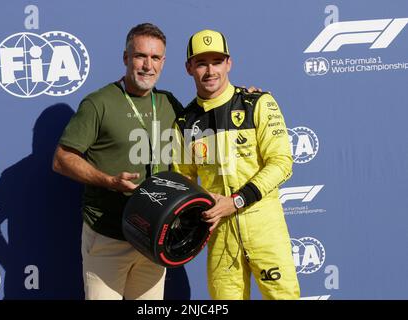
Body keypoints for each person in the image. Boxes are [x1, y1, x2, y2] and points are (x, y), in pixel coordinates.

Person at [52, 23, 183, 300]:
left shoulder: (169, 102)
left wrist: (242, 95)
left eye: (155, 58)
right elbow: (62, 160)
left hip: (154, 237)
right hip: (108, 234)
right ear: (126, 58)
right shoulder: (99, 102)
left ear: (163, 62)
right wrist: (109, 181)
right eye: (140, 56)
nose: (148, 65)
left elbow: (206, 122)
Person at [172, 29, 300, 300]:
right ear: (189, 68)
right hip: (219, 234)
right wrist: (204, 201)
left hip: (265, 229)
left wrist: (237, 201)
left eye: (216, 62)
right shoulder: (184, 123)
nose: (210, 71)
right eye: (201, 63)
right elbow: (181, 181)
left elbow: (281, 163)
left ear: (228, 63)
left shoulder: (258, 103)